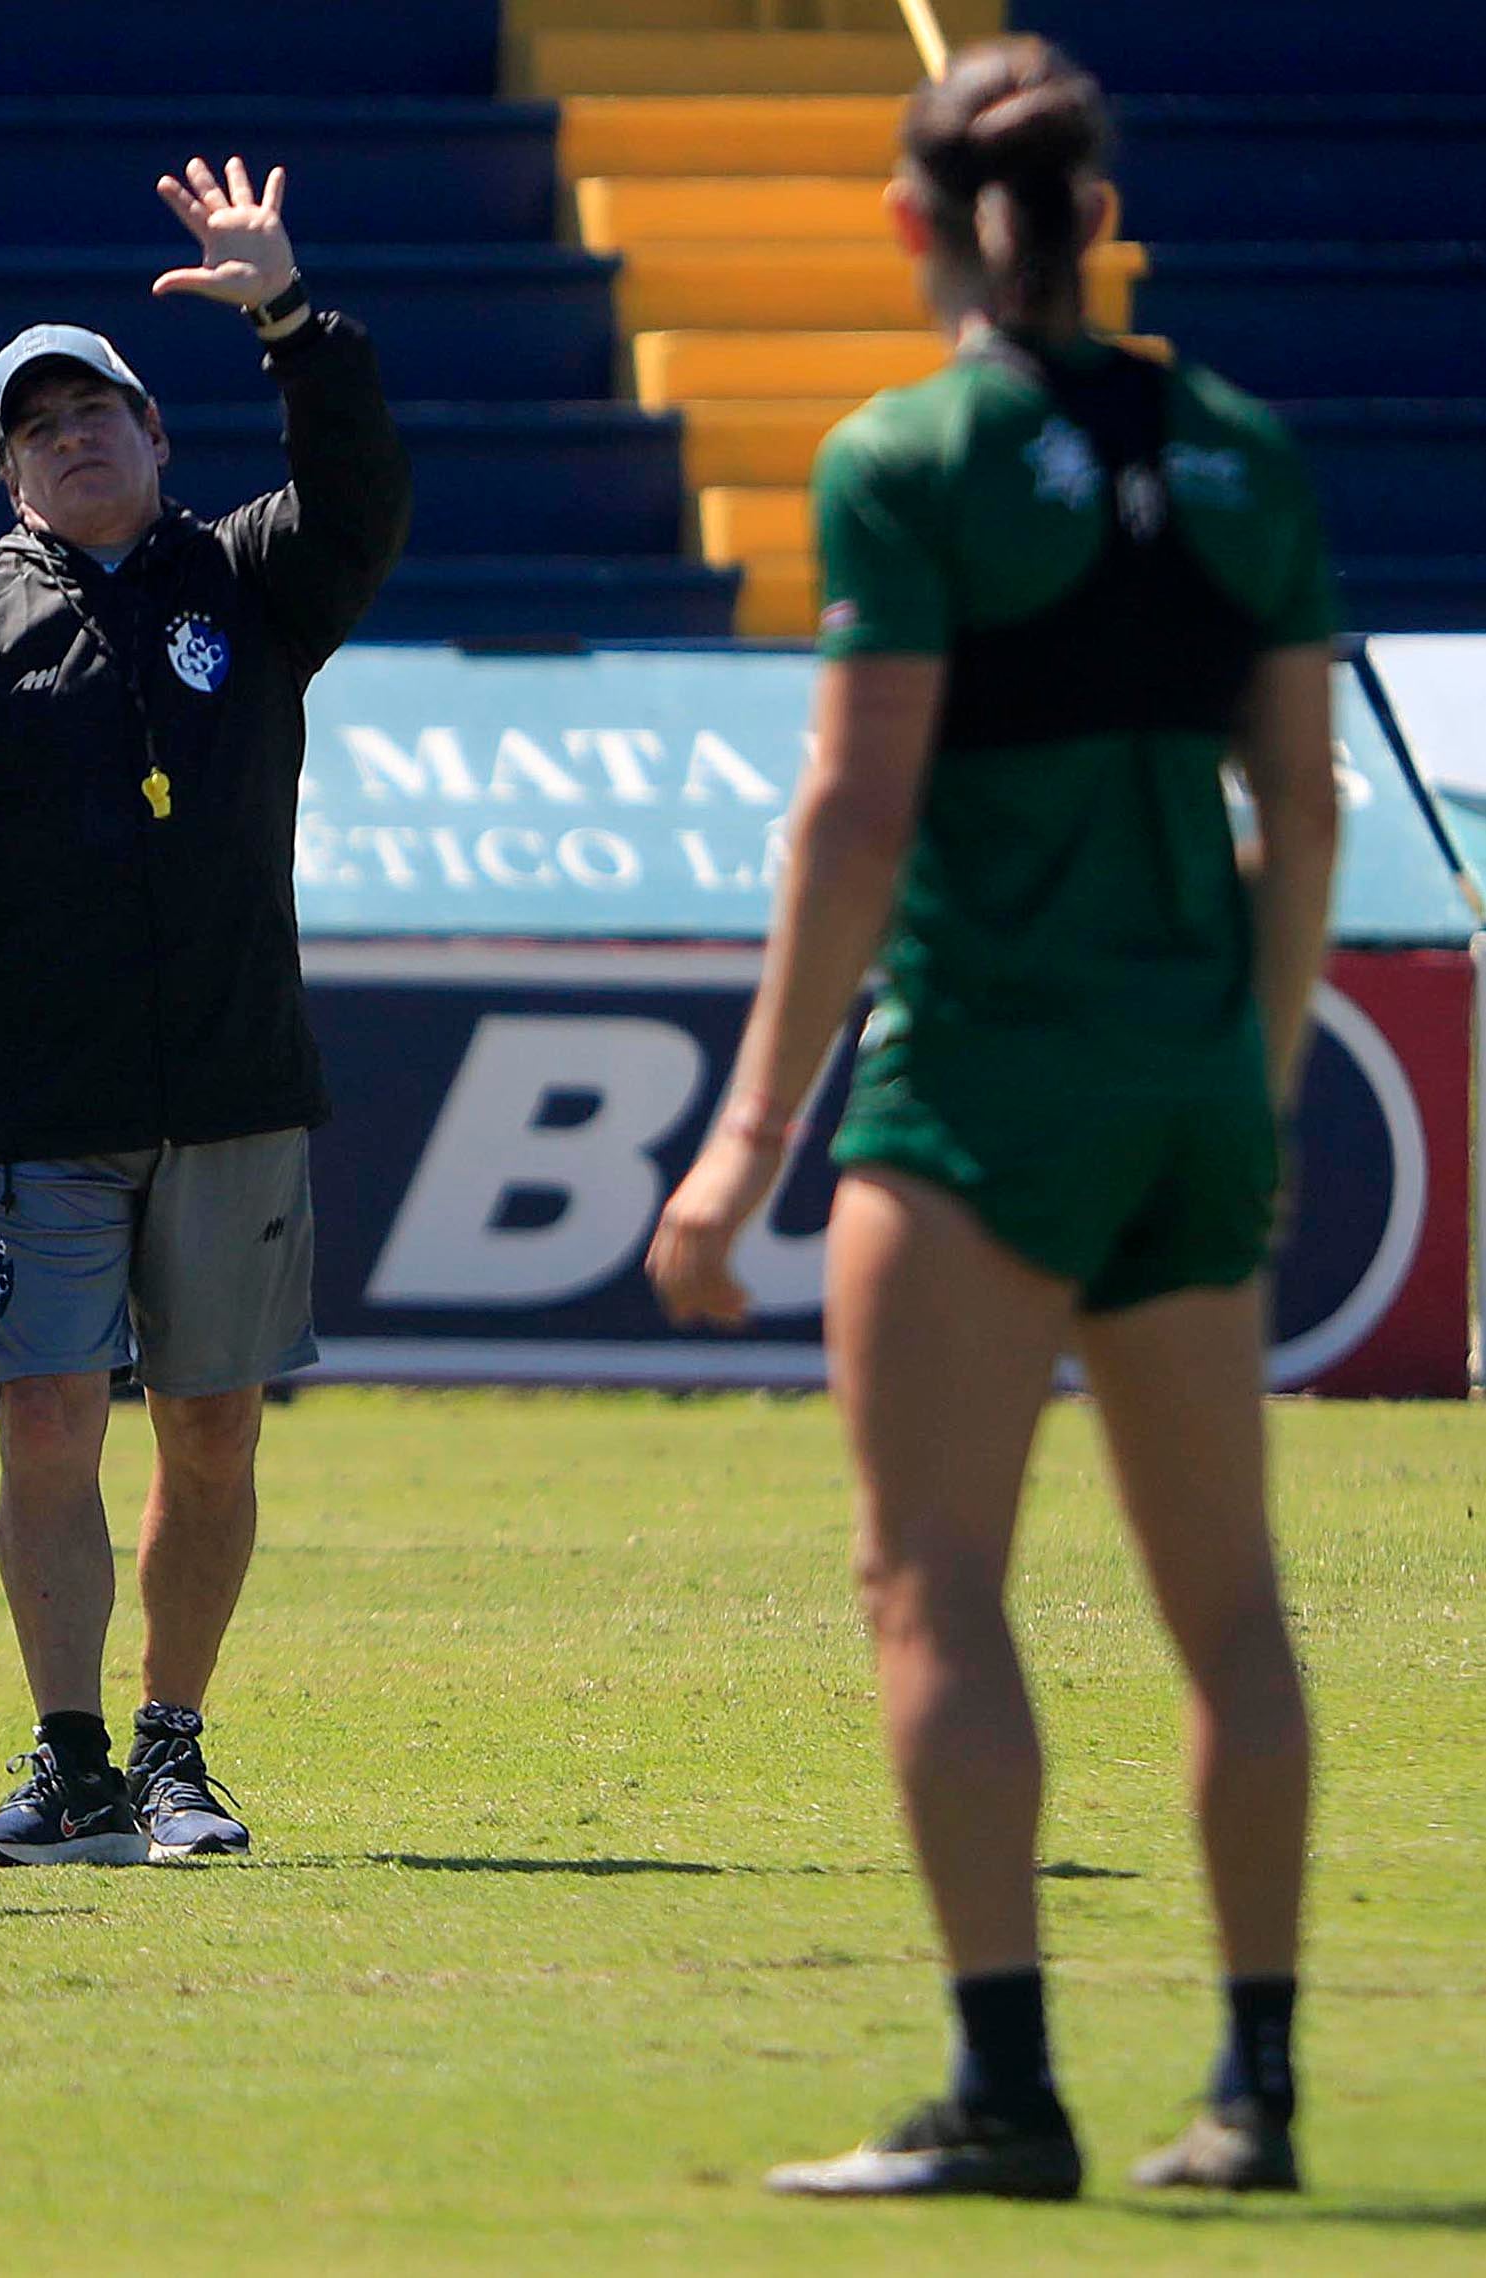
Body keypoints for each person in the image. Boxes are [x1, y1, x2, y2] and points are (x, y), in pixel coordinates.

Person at [646, 39, 1338, 2201]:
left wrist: (743, 1141)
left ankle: (1004, 2086)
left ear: (908, 225)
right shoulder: (1241, 448)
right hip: (1188, 1086)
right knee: (1227, 1604)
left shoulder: (907, 455)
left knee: (931, 1573)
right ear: (1099, 217)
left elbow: (855, 817)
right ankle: (1252, 2088)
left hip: (979, 1083)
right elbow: (1301, 812)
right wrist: (1257, 1083)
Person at [0, 159, 408, 1866]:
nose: (71, 438)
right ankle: (72, 1769)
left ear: (155, 432)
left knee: (208, 1423)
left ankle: (174, 1751)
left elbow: (361, 490)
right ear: (7, 470)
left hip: (234, 1083)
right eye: (37, 425)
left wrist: (290, 319)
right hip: (42, 1102)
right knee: (50, 1416)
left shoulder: (255, 581)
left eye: (96, 411)